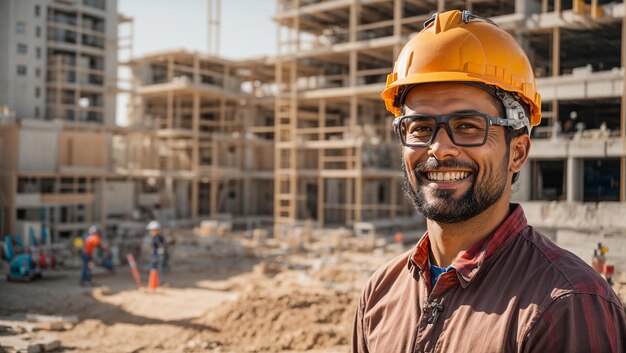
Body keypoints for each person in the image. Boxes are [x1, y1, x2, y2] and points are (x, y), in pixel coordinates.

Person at [352, 10, 626, 353]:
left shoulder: (566, 305)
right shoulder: (379, 295)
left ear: (518, 152)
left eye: (468, 126)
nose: (439, 148)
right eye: (420, 127)